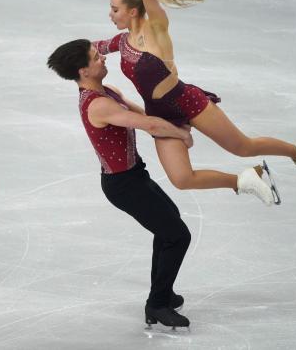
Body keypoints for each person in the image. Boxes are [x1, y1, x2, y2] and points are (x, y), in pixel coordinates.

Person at [93, 0, 296, 206]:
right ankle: (247, 180)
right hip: (160, 115)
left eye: (115, 10)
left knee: (243, 147)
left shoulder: (155, 29)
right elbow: (94, 47)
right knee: (181, 179)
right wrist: (68, 55)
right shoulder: (122, 42)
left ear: (134, 11)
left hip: (186, 100)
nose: (111, 15)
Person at [47, 38, 193, 329]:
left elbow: (143, 115)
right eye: (95, 57)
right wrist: (181, 135)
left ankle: (161, 294)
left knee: (169, 227)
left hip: (135, 174)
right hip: (123, 186)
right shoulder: (97, 105)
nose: (102, 57)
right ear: (83, 71)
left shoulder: (108, 92)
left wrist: (173, 122)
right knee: (178, 235)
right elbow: (148, 126)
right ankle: (157, 304)